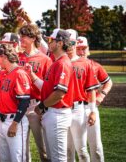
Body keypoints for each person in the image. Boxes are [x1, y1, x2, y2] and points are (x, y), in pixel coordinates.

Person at [24, 29, 74, 162]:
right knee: (52, 157)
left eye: (51, 40)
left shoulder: (62, 63)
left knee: (58, 158)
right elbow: (46, 87)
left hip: (57, 113)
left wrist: (41, 106)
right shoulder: (57, 62)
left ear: (60, 43)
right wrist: (32, 75)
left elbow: (59, 93)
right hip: (52, 113)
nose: (48, 42)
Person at [0, 43, 31, 162]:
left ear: (4, 56)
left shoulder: (20, 74)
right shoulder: (6, 73)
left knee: (17, 158)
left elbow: (24, 102)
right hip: (2, 120)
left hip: (14, 120)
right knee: (4, 158)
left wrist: (15, 124)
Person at [18, 24, 52, 162]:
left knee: (43, 149)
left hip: (36, 106)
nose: (21, 39)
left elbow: (48, 87)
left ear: (32, 38)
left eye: (24, 36)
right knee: (22, 149)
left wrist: (44, 108)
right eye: (20, 36)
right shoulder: (16, 57)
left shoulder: (45, 59)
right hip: (19, 106)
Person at [77, 36, 113, 162]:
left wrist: (101, 96)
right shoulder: (70, 65)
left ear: (88, 50)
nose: (81, 52)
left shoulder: (95, 66)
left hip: (90, 107)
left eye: (83, 48)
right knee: (80, 149)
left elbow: (108, 82)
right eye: (78, 49)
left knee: (96, 147)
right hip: (74, 109)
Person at [65, 29, 99, 162]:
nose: (69, 45)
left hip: (78, 110)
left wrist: (92, 111)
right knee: (67, 151)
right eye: (66, 42)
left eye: (72, 42)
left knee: (82, 151)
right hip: (61, 110)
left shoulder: (85, 63)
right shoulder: (58, 62)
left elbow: (91, 90)